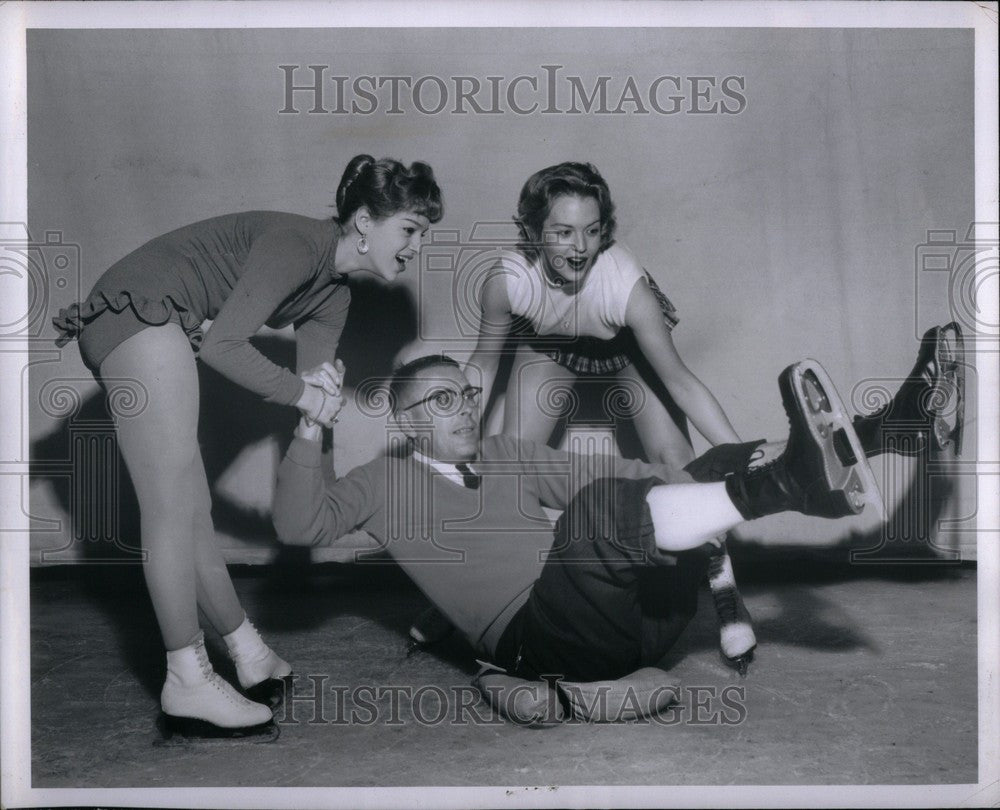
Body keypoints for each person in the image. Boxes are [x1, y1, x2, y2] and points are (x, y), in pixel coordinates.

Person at [272, 323, 963, 723]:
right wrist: (309, 427)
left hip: (643, 623)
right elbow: (300, 524)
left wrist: (710, 474)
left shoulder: (506, 454)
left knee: (681, 472)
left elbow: (623, 481)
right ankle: (792, 483)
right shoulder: (381, 484)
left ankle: (891, 429)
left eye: (469, 394)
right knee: (595, 521)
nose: (465, 410)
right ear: (406, 421)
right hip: (541, 641)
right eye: (444, 399)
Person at [51, 155, 443, 736]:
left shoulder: (333, 298)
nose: (415, 247)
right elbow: (225, 347)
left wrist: (323, 499)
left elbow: (313, 414)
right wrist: (305, 397)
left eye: (422, 235)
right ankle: (186, 677)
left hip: (165, 320)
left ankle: (246, 651)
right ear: (364, 220)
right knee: (169, 506)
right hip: (139, 306)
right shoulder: (296, 243)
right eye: (409, 230)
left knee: (193, 509)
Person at [465, 162, 751, 668]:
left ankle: (725, 588)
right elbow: (483, 366)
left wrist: (743, 455)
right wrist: (451, 437)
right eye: (563, 232)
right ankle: (483, 593)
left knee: (679, 469)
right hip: (550, 343)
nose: (579, 247)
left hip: (623, 343)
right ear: (532, 233)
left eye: (593, 231)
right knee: (509, 465)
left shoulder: (625, 286)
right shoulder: (506, 282)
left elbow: (682, 383)